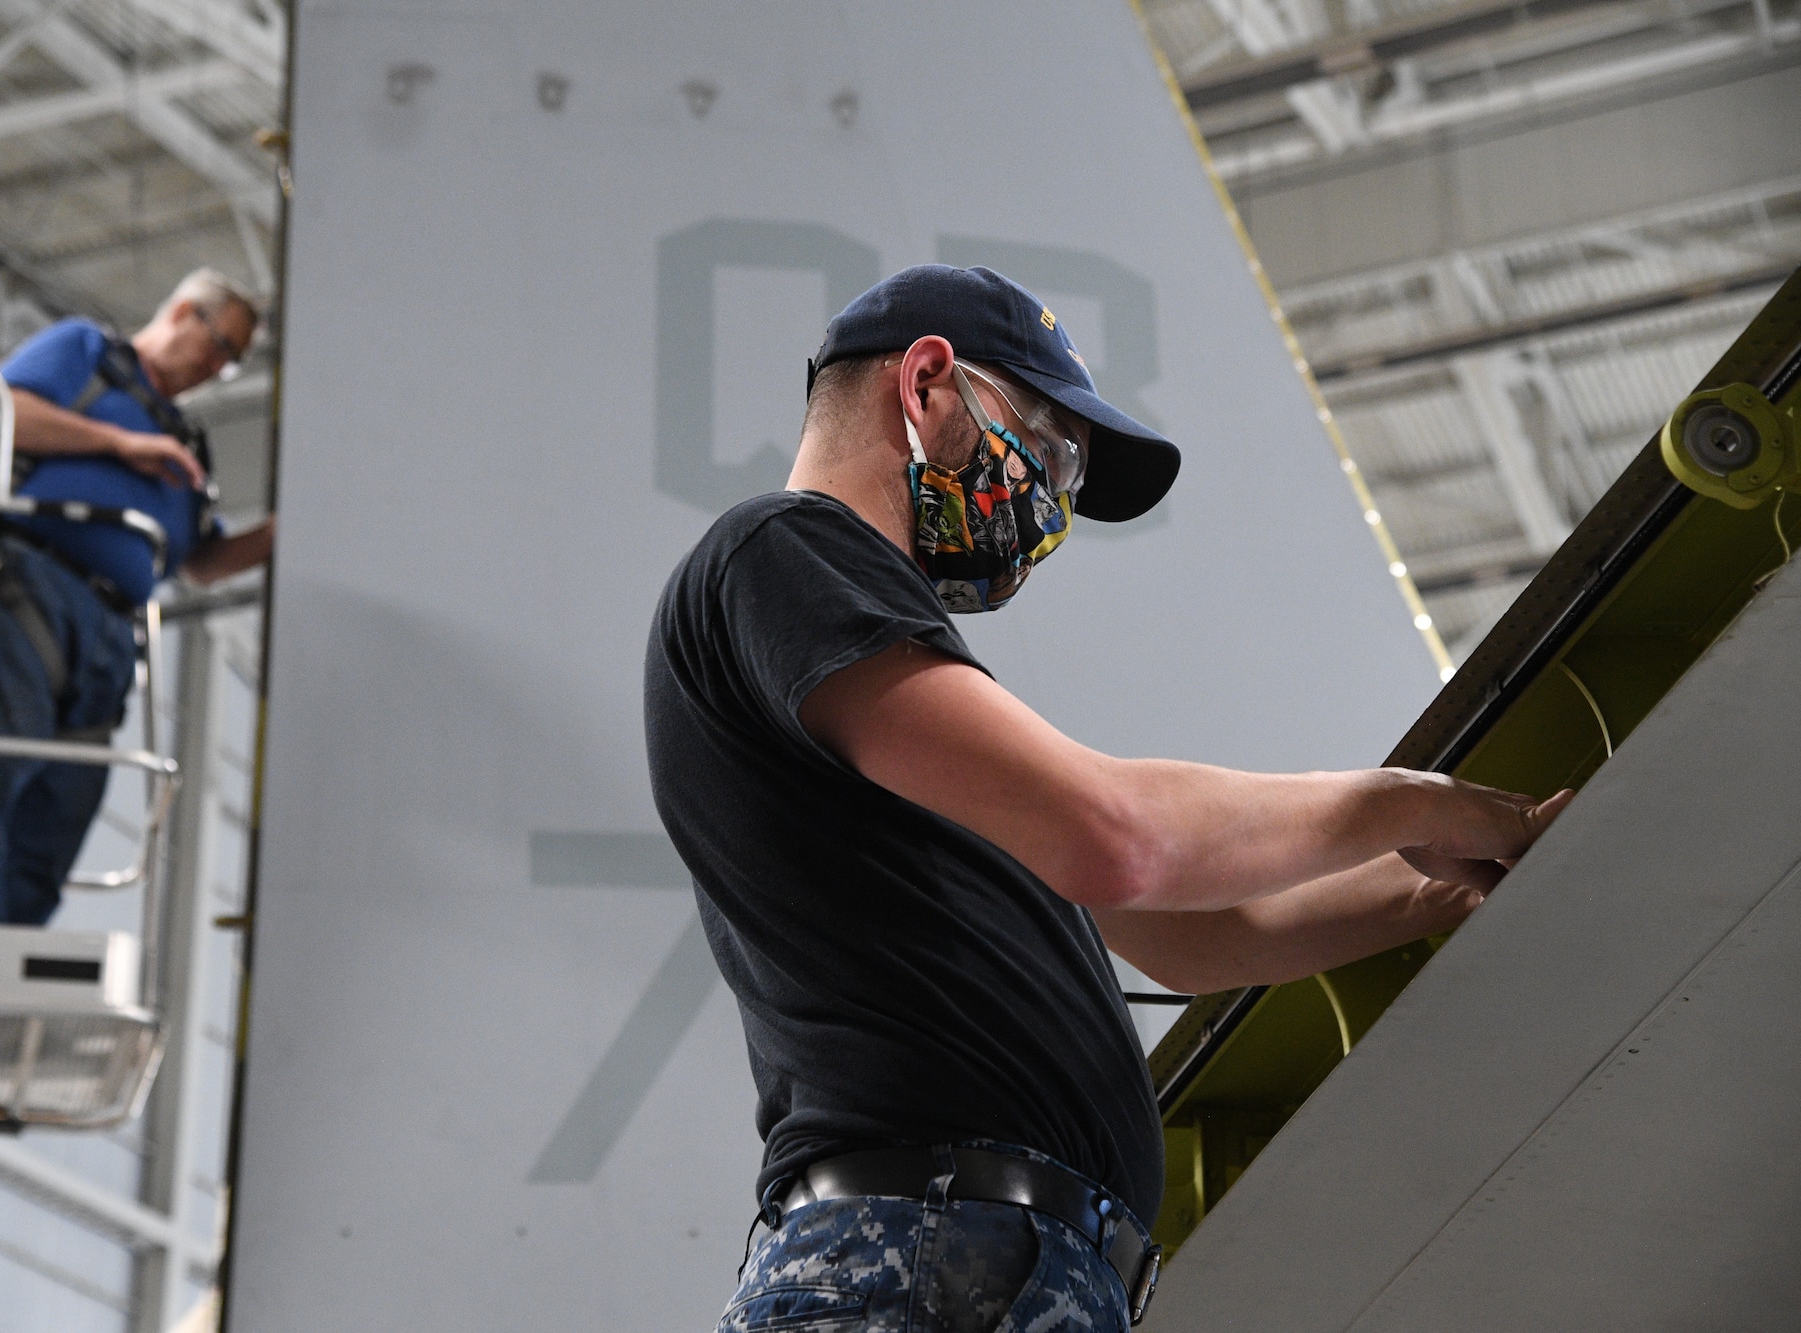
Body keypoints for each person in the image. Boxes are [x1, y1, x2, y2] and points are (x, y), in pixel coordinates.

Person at [644, 265, 1571, 1331]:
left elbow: (1201, 934)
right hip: (913, 1259)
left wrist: (1442, 891)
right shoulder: (781, 554)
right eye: (1046, 452)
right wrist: (1408, 803)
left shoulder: (902, 729)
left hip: (978, 1268)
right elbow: (1115, 841)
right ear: (929, 386)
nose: (1049, 503)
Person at [0, 269, 276, 925]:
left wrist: (284, 534)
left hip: (109, 637)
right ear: (185, 312)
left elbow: (203, 562)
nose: (218, 367)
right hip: (28, 589)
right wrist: (118, 442)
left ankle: (0, 968)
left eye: (231, 364)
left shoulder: (187, 445)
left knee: (60, 809)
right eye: (219, 347)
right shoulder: (88, 355)